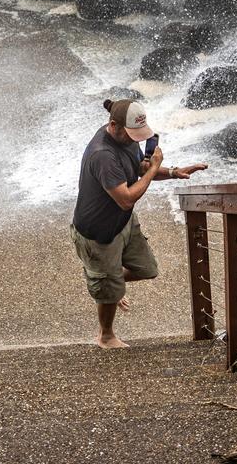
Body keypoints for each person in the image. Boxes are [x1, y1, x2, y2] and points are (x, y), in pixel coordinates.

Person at [70, 98, 209, 349]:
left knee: (147, 269)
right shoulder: (103, 155)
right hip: (97, 234)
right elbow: (125, 199)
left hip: (123, 223)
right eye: (132, 135)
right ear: (114, 125)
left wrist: (173, 171)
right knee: (109, 290)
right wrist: (153, 169)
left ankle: (108, 280)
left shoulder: (125, 139)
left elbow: (140, 167)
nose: (137, 140)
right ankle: (106, 335)